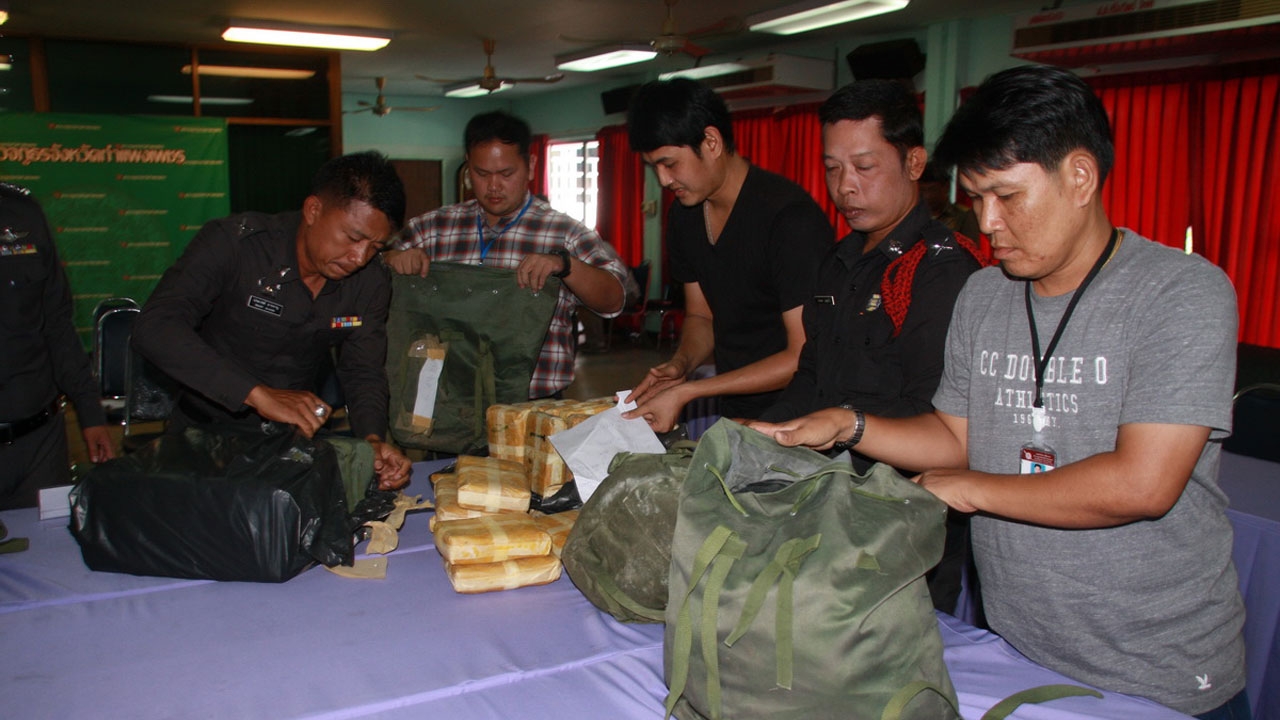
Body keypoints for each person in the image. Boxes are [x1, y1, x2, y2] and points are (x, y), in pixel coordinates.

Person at [752, 65, 1248, 718]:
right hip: (1015, 649)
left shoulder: (1179, 293)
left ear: (1080, 176)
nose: (988, 222)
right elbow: (954, 439)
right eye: (977, 197)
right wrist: (847, 424)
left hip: (1154, 671)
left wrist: (970, 489)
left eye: (1007, 197)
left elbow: (1143, 484)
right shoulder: (986, 296)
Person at [756, 80, 984, 614]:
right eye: (832, 168)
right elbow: (812, 373)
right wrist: (764, 434)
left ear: (914, 163)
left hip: (899, 530)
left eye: (864, 167)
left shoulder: (940, 272)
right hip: (824, 511)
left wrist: (843, 425)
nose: (845, 187)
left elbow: (938, 426)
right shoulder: (840, 262)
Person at [132, 151, 411, 490]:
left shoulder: (369, 281)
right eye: (353, 238)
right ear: (313, 210)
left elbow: (362, 369)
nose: (359, 258)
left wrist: (372, 441)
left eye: (375, 247)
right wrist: (256, 395)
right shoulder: (235, 244)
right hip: (201, 437)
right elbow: (156, 326)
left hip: (288, 445)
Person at [623, 78, 834, 432]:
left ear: (711, 142)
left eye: (669, 163)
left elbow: (803, 355)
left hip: (802, 417)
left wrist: (691, 390)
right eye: (653, 167)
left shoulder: (789, 218)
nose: (663, 180)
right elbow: (701, 316)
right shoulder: (685, 216)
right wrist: (681, 365)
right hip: (737, 406)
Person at [383, 111, 635, 399]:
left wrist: (566, 265)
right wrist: (391, 259)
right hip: (449, 402)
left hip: (533, 405)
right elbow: (369, 270)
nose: (493, 186)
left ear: (531, 167)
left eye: (506, 174)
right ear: (468, 167)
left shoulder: (565, 232)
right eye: (481, 174)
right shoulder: (432, 228)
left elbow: (614, 299)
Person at [1, 183, 115, 510]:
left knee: (50, 540)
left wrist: (90, 412)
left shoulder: (22, 213)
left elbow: (57, 323)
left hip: (38, 444)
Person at [919, 161, 982, 242]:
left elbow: (971, 246)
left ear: (946, 187)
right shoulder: (915, 216)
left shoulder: (964, 216)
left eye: (932, 189)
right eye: (922, 190)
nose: (927, 195)